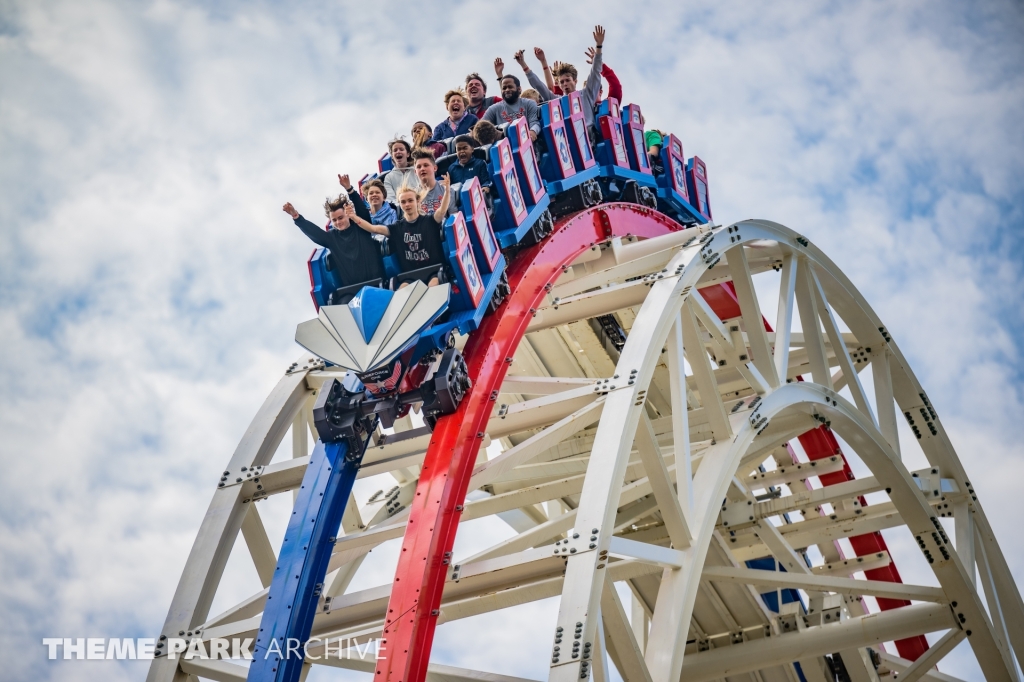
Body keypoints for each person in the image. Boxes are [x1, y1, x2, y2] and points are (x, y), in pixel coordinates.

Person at [282, 191, 387, 288]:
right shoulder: (331, 238)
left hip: (378, 283)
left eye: (340, 218)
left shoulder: (362, 227)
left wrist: (350, 190)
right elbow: (314, 232)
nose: (338, 222)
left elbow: (362, 211)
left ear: (348, 215)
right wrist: (296, 216)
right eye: (334, 220)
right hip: (352, 291)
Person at [513, 26, 606, 127]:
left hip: (588, 137)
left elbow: (595, 71)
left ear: (575, 81)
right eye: (562, 82)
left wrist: (599, 45)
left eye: (567, 80)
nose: (565, 84)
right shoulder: (557, 100)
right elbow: (538, 85)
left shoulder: (586, 94)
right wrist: (523, 64)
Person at [389, 176, 451, 287]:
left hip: (435, 271)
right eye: (403, 202)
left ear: (417, 201)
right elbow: (374, 229)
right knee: (402, 290)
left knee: (433, 285)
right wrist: (354, 218)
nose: (407, 204)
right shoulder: (397, 227)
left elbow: (442, 211)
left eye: (410, 200)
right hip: (410, 275)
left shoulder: (429, 220)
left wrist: (447, 191)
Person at [482, 71, 541, 140]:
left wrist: (533, 131)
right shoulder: (493, 109)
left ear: (519, 89)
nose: (507, 90)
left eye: (510, 87)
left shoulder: (529, 103)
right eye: (504, 88)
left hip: (527, 143)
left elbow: (534, 123)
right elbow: (481, 127)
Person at [383, 138, 420, 203]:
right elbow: (390, 198)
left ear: (408, 154)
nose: (398, 151)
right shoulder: (389, 177)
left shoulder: (417, 171)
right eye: (395, 150)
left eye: (401, 149)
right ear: (392, 156)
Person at [411, 147, 447, 214]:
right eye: (419, 167)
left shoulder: (446, 190)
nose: (422, 169)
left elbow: (454, 215)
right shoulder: (412, 195)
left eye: (426, 165)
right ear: (415, 172)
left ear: (435, 168)